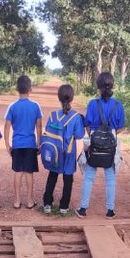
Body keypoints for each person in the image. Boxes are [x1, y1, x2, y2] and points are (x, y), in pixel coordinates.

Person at [75, 72, 125, 219]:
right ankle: (110, 211)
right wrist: (111, 134)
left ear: (98, 86)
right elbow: (121, 127)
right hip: (111, 142)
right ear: (112, 85)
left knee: (89, 176)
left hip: (94, 141)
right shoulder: (118, 105)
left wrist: (93, 137)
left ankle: (83, 209)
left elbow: (88, 126)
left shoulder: (92, 103)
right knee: (110, 177)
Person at [42, 84, 85, 215]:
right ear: (72, 98)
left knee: (52, 176)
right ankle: (64, 207)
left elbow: (48, 131)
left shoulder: (53, 115)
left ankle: (47, 203)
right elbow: (79, 135)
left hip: (54, 152)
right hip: (68, 153)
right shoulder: (76, 117)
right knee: (68, 179)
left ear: (59, 98)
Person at [4, 75, 43, 209]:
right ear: (30, 89)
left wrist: (7, 145)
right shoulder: (35, 106)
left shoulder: (12, 106)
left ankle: (16, 201)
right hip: (31, 144)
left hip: (17, 144)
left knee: (18, 172)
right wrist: (39, 143)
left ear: (17, 89)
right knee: (29, 173)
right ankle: (30, 201)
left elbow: (7, 126)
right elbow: (39, 126)